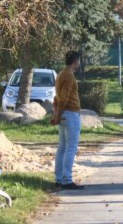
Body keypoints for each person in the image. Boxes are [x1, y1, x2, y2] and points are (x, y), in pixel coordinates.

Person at [50, 51, 85, 190]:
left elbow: (57, 97)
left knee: (62, 148)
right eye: (78, 62)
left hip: (65, 113)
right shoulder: (69, 76)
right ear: (75, 62)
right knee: (71, 148)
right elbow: (63, 98)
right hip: (70, 114)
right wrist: (57, 116)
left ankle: (59, 178)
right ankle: (67, 180)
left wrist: (57, 114)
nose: (79, 64)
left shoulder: (60, 73)